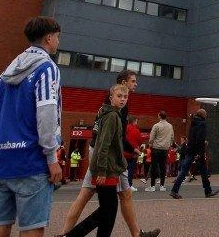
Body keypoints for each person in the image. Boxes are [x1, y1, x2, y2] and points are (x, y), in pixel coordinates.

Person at [0, 16, 63, 237]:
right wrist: (51, 157)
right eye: (57, 37)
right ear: (49, 38)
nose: (58, 42)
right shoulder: (47, 68)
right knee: (32, 228)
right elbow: (46, 114)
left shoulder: (8, 72)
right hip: (32, 160)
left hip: (4, 160)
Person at [61, 70, 158, 237]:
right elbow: (110, 139)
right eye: (133, 81)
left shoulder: (106, 107)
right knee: (114, 201)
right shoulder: (115, 111)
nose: (135, 84)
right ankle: (68, 235)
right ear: (122, 82)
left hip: (100, 153)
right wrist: (109, 164)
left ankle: (65, 233)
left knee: (89, 195)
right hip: (106, 157)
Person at [63, 84, 128, 237]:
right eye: (119, 96)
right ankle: (72, 235)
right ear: (111, 97)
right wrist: (102, 170)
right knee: (108, 209)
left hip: (108, 168)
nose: (122, 100)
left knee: (108, 210)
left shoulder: (107, 113)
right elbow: (103, 145)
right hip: (106, 170)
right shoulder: (112, 116)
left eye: (125, 97)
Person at [169, 109, 218, 199]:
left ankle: (174, 190)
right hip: (198, 151)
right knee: (203, 171)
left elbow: (192, 137)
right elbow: (200, 138)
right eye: (206, 114)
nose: (206, 116)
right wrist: (200, 152)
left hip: (190, 149)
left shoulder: (193, 122)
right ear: (203, 115)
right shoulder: (202, 124)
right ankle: (208, 191)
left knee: (184, 171)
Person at [145, 111, 174, 192]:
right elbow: (172, 137)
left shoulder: (156, 126)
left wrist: (150, 144)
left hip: (156, 148)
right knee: (163, 167)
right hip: (165, 149)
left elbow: (151, 138)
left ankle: (152, 186)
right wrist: (169, 145)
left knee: (154, 167)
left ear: (159, 116)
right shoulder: (170, 126)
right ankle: (162, 185)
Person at [124, 116, 142, 191]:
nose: (137, 123)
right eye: (136, 121)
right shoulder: (136, 130)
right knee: (130, 169)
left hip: (123, 152)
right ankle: (129, 185)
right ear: (134, 121)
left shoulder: (124, 128)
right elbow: (139, 141)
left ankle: (121, 185)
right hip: (133, 153)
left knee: (122, 169)